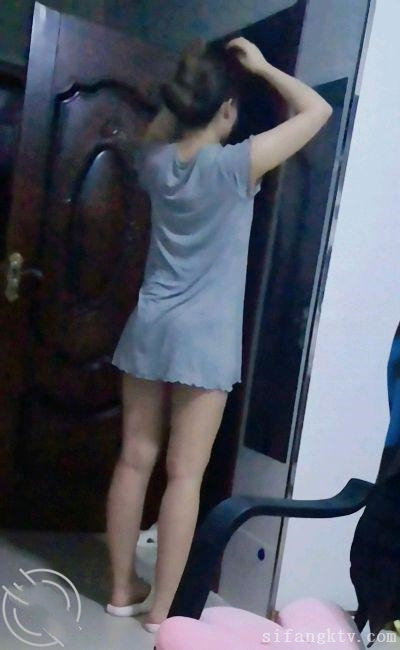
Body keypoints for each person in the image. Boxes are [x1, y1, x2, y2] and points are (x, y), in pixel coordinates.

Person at [105, 36, 332, 633]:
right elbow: (318, 110)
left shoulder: (155, 162)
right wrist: (263, 67)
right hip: (204, 340)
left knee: (133, 459)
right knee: (186, 474)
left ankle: (122, 589)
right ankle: (162, 610)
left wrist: (190, 88)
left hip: (150, 327)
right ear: (227, 110)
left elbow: (162, 128)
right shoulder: (237, 165)